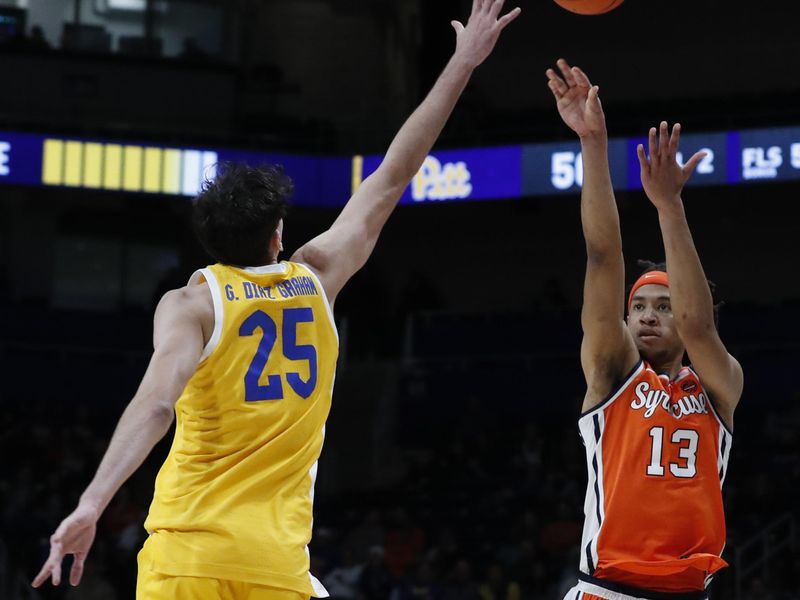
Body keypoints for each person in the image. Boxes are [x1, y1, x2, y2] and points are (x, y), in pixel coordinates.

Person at [31, 2, 521, 598]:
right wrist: (463, 63)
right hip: (275, 563)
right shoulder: (318, 276)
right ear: (278, 235)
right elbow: (395, 172)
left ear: (208, 242)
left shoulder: (192, 303)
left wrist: (91, 503)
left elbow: (156, 405)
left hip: (184, 556)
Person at [545, 59, 743, 599]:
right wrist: (593, 142)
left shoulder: (720, 387)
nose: (650, 314)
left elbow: (700, 325)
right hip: (606, 592)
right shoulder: (612, 370)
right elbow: (603, 255)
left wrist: (669, 206)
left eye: (665, 305)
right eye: (640, 307)